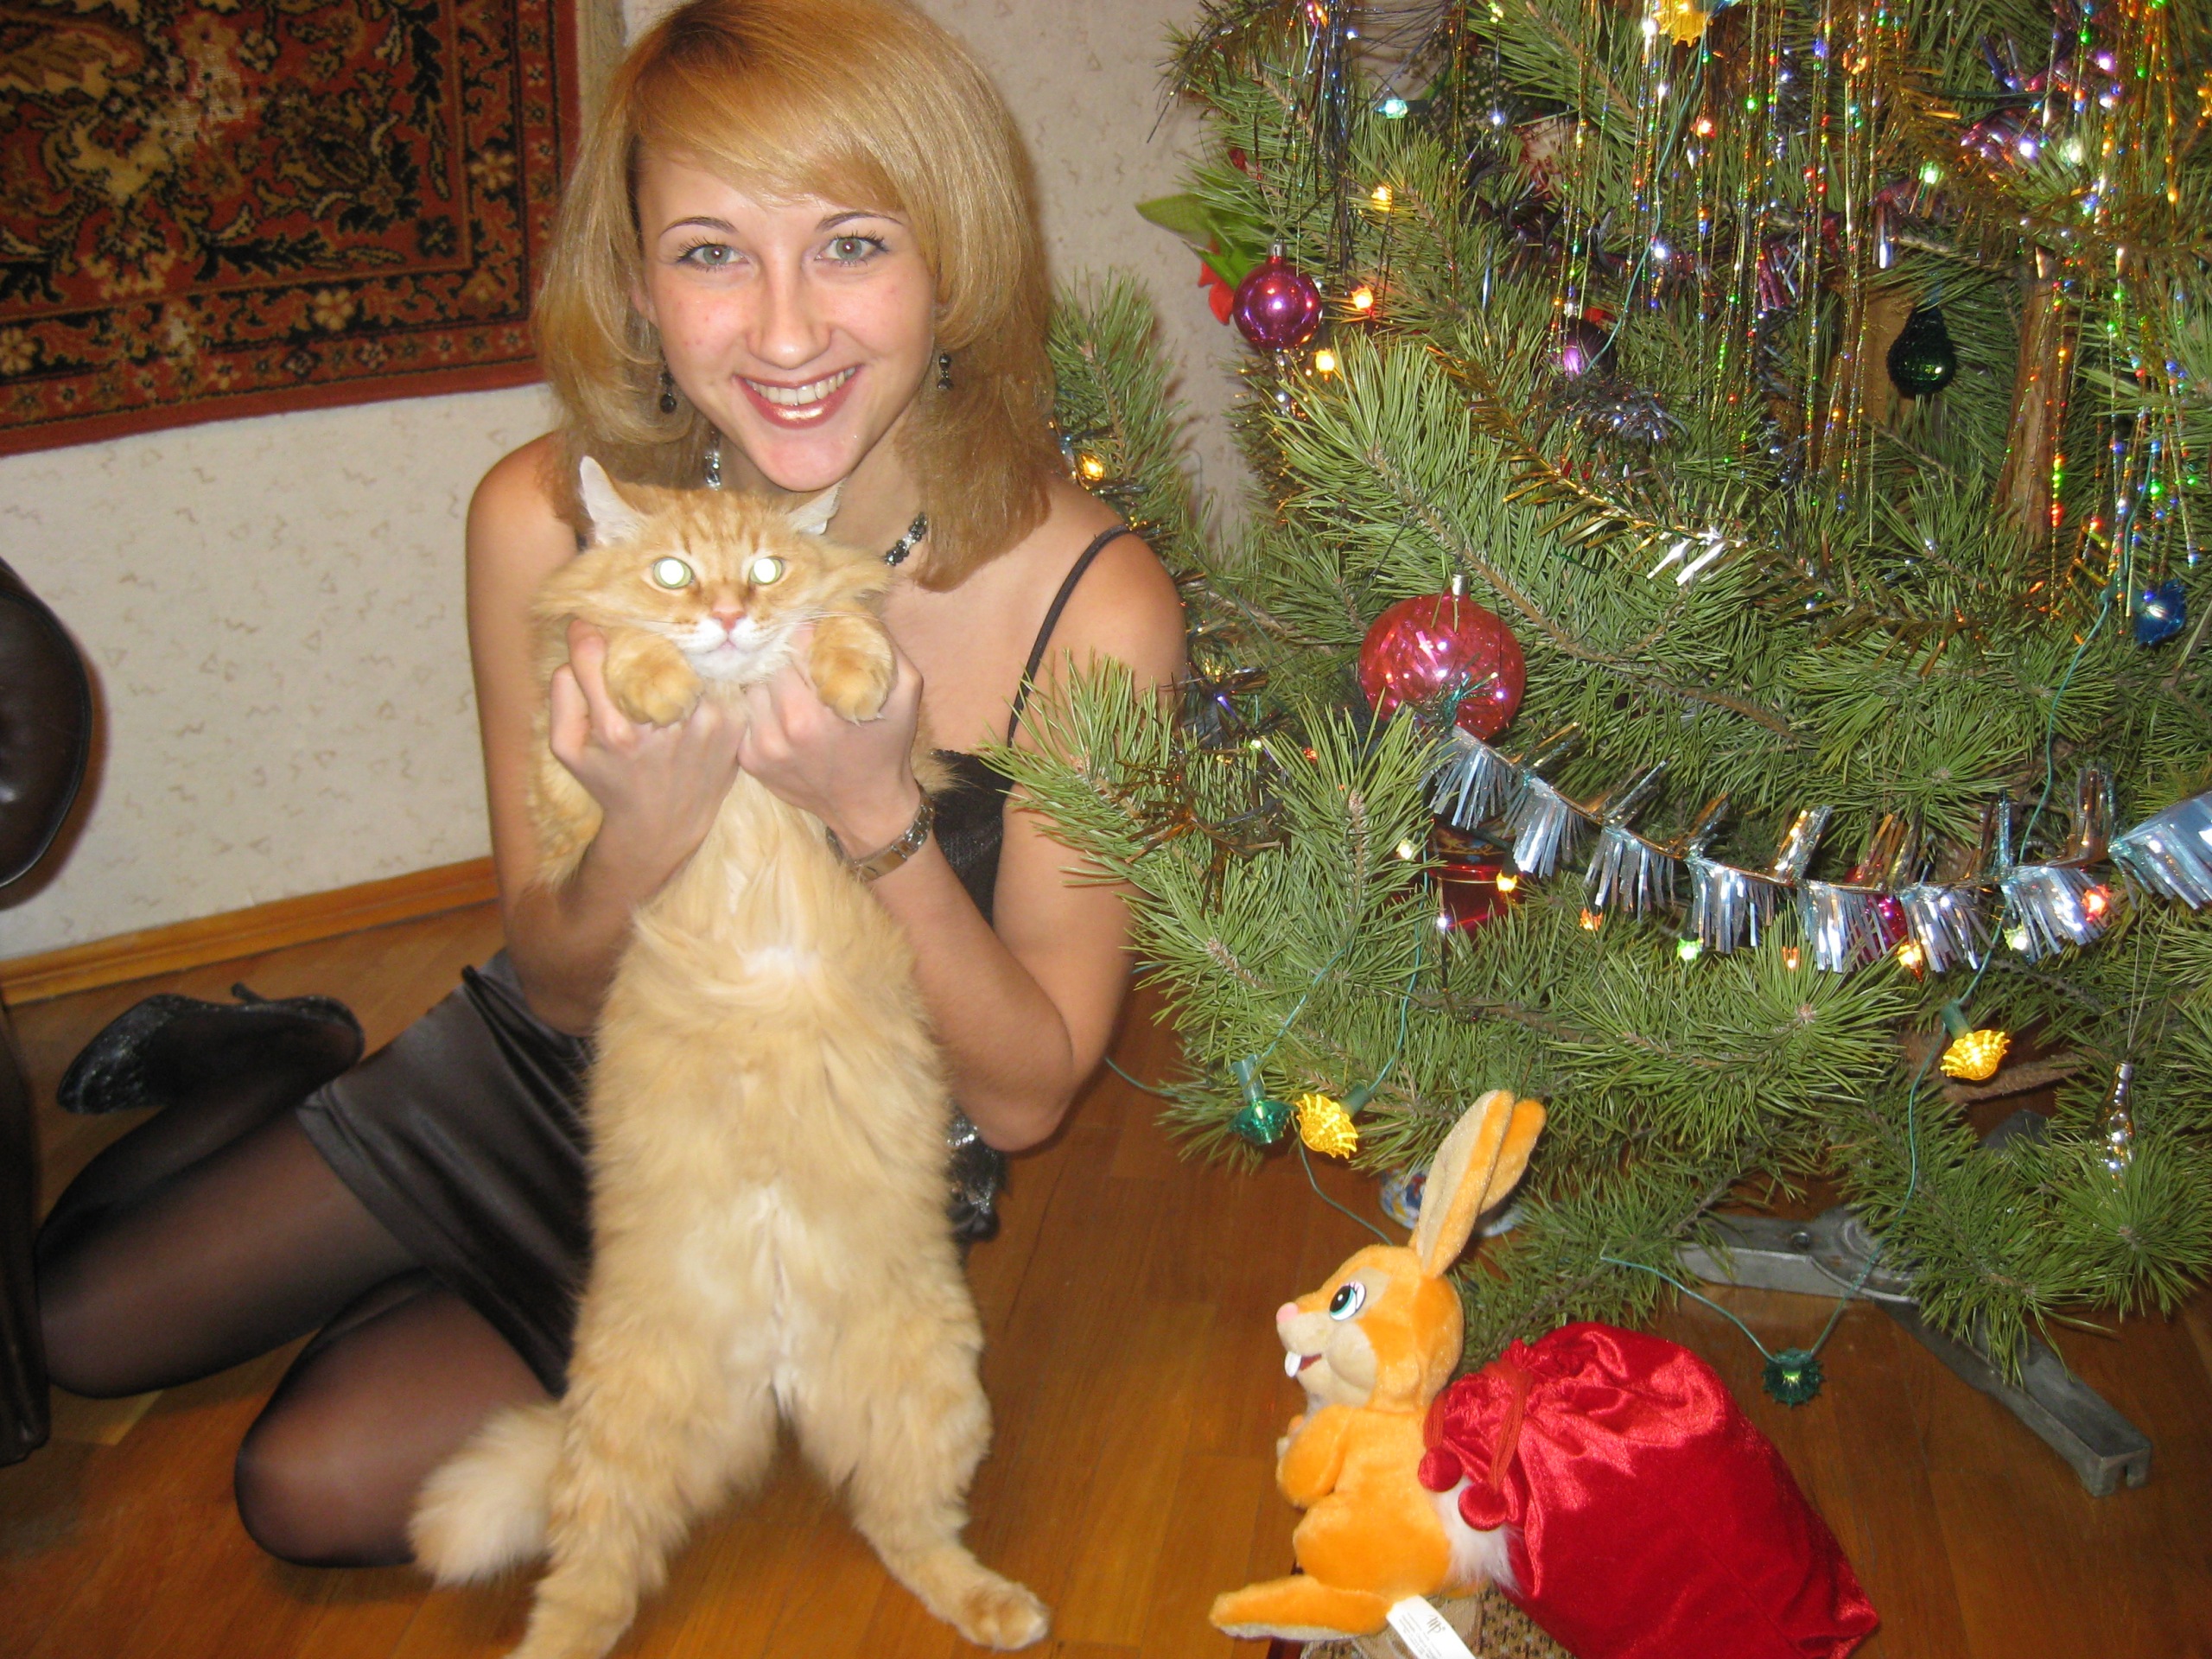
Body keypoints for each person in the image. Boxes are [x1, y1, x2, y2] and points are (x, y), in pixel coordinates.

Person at [34, 0, 1184, 1570]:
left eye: (852, 245)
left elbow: (1028, 1096)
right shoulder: (542, 521)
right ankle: (278, 1059)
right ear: (638, 283)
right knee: (73, 1325)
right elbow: (560, 981)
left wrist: (876, 817)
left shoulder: (1094, 607)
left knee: (310, 1484)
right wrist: (639, 839)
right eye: (712, 254)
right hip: (558, 1064)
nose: (786, 333)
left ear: (954, 263)